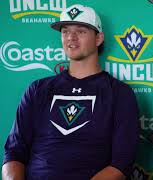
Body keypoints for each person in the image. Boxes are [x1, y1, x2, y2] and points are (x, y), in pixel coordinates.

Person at [2, 4, 139, 180]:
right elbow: (14, 152)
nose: (71, 38)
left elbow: (121, 163)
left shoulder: (119, 94)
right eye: (65, 31)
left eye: (81, 31)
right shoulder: (38, 90)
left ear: (99, 39)